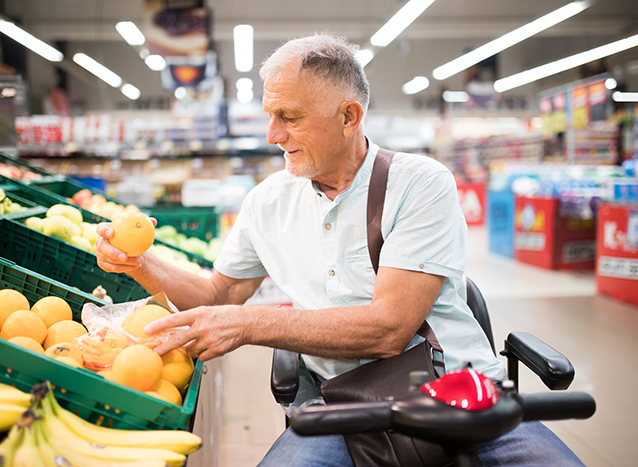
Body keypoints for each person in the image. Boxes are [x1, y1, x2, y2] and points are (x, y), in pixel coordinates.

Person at [96, 33, 584, 467]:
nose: (273, 135)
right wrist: (140, 264)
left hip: (462, 393)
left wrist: (250, 326)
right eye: (271, 116)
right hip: (344, 406)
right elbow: (219, 295)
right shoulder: (268, 202)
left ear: (349, 116)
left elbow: (389, 328)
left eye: (290, 117)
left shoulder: (419, 183)